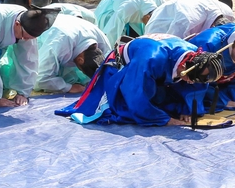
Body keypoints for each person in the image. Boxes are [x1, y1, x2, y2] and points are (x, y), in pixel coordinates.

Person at [57, 35, 225, 126]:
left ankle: (165, 108)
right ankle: (154, 114)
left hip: (158, 69)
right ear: (183, 66)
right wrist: (165, 120)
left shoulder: (197, 58)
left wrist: (187, 109)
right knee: (124, 109)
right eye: (191, 77)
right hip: (123, 69)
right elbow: (135, 93)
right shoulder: (150, 60)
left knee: (175, 101)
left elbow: (195, 85)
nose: (191, 82)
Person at [35, 14, 109, 93]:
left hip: (65, 27)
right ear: (80, 60)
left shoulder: (102, 40)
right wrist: (68, 88)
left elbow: (108, 65)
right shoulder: (58, 45)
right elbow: (41, 79)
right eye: (82, 70)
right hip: (41, 29)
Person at [93, 0, 165, 45]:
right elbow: (112, 30)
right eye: (150, 24)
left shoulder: (161, 5)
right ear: (147, 17)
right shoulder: (126, 8)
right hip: (112, 7)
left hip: (135, 0)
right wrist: (110, 53)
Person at [143, 0, 235, 38]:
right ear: (213, 26)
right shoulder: (186, 23)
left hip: (191, 5)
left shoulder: (228, 13)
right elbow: (174, 45)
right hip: (161, 26)